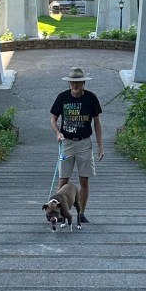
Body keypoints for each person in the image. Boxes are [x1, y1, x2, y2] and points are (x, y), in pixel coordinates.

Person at [49, 65, 103, 223]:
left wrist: (100, 146)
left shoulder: (91, 98)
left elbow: (97, 123)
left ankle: (81, 213)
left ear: (84, 83)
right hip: (67, 143)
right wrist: (58, 132)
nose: (75, 85)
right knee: (63, 179)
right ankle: (58, 211)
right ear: (69, 83)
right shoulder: (62, 97)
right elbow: (53, 118)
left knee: (84, 179)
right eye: (72, 82)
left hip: (84, 143)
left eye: (78, 82)